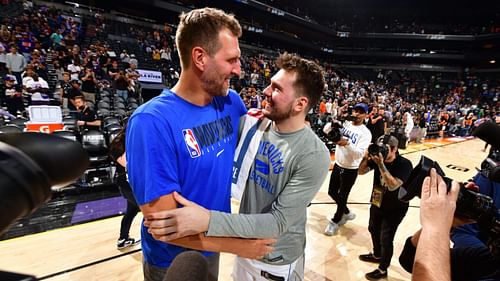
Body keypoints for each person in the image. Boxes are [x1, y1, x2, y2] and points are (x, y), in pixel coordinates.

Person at [145, 53, 330, 281]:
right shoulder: (252, 124)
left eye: (277, 88)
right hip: (243, 246)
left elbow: (277, 222)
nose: (265, 91)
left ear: (300, 104)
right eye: (270, 84)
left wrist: (207, 220)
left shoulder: (314, 154)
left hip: (275, 257)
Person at [125, 8, 274, 281]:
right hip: (171, 261)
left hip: (213, 247)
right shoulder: (151, 122)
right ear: (200, 58)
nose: (239, 70)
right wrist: (238, 245)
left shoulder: (231, 104)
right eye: (231, 60)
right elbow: (162, 226)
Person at [357, 135, 413, 280]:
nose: (380, 152)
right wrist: (365, 157)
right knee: (372, 228)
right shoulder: (377, 159)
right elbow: (360, 172)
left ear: (394, 149)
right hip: (377, 201)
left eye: (384, 149)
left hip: (396, 208)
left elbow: (393, 185)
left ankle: (383, 269)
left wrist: (381, 164)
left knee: (386, 238)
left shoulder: (404, 164)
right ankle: (377, 255)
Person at [324, 103, 371, 236]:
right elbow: (326, 131)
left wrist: (347, 143)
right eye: (355, 111)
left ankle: (336, 221)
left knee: (343, 196)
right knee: (332, 192)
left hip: (351, 169)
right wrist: (333, 123)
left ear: (365, 115)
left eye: (360, 112)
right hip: (338, 164)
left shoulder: (366, 133)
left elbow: (359, 154)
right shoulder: (346, 124)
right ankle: (346, 212)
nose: (356, 114)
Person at [108, 125, 141, 250]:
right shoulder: (117, 146)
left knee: (131, 212)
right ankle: (156, 243)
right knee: (148, 213)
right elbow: (128, 165)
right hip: (126, 184)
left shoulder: (134, 142)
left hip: (132, 183)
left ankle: (123, 239)